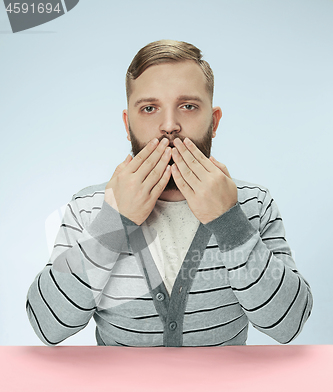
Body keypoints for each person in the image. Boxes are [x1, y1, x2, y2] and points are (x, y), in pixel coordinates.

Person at [26, 39, 313, 347]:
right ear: (127, 124)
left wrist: (230, 223)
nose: (169, 126)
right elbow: (47, 326)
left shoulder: (253, 204)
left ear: (213, 122)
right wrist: (113, 224)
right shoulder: (89, 208)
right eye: (149, 108)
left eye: (188, 106)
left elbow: (289, 326)